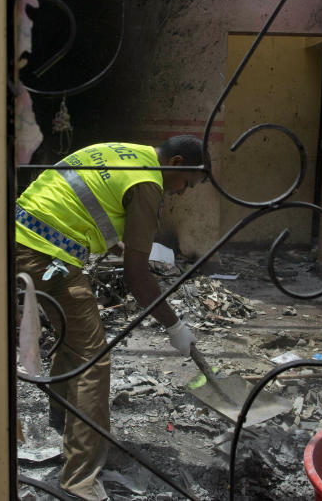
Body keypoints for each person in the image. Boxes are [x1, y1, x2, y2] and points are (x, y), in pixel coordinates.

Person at [15, 136, 206, 500]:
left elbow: (88, 196)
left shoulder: (126, 152)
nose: (182, 193)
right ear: (177, 163)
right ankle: (79, 480)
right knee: (93, 359)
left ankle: (66, 421)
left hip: (22, 231)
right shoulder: (149, 182)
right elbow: (137, 277)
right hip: (46, 252)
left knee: (74, 338)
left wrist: (113, 238)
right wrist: (174, 325)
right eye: (187, 183)